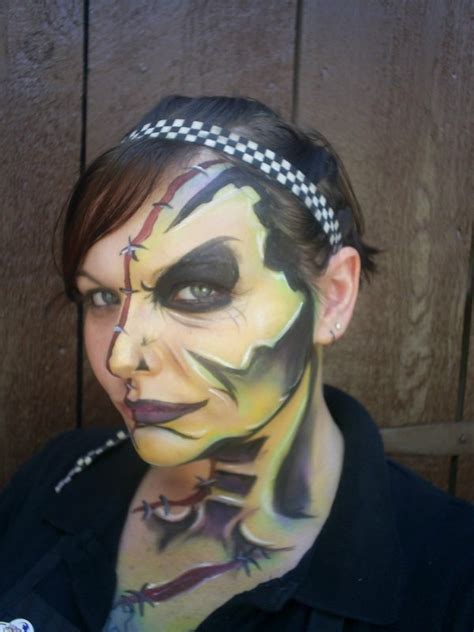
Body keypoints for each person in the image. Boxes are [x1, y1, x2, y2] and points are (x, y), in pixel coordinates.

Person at [0, 95, 472, 632]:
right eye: (102, 297)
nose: (122, 357)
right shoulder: (59, 476)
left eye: (198, 290)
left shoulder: (453, 580)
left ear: (333, 297)